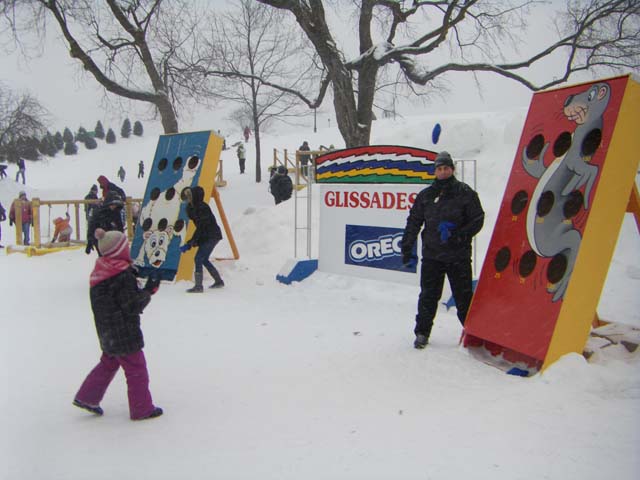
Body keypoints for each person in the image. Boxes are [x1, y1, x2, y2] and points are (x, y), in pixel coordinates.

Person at [73, 227, 163, 420]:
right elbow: (132, 305)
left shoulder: (103, 270)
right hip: (124, 332)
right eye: (125, 246)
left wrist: (133, 277)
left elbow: (115, 297)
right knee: (136, 368)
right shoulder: (121, 276)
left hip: (108, 330)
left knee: (108, 363)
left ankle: (87, 397)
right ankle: (142, 408)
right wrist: (149, 290)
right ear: (119, 251)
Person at [400, 151, 484, 349]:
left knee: (463, 298)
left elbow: (478, 219)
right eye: (439, 168)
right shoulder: (426, 195)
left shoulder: (466, 193)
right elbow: (414, 221)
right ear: (434, 172)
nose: (443, 171)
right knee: (428, 295)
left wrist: (460, 235)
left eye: (446, 168)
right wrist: (407, 246)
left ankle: (473, 333)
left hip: (458, 256)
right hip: (432, 255)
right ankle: (422, 332)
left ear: (452, 169)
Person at [179, 186, 224, 293]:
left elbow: (202, 227)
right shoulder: (194, 208)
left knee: (198, 258)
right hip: (209, 235)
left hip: (212, 236)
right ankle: (218, 281)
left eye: (188, 198)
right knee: (203, 259)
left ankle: (198, 286)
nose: (186, 201)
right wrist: (191, 243)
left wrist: (191, 243)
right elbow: (200, 228)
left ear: (193, 197)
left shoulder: (202, 208)